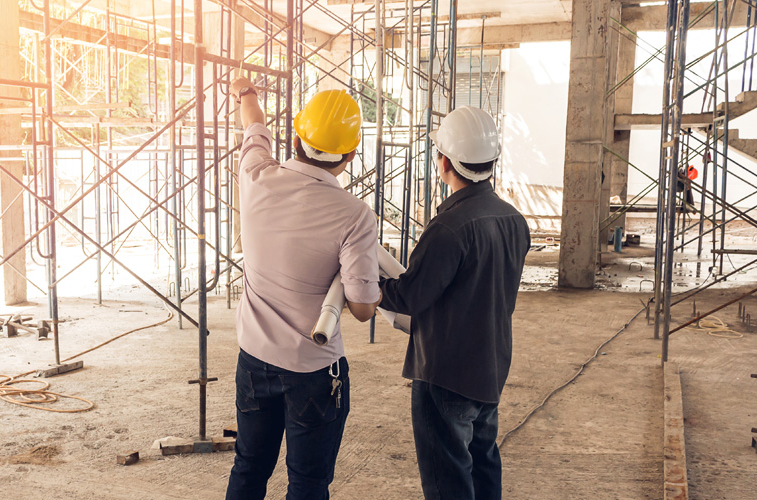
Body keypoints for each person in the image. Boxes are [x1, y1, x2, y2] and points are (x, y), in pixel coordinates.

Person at [225, 77, 381, 500]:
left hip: (254, 360)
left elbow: (254, 125)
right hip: (313, 370)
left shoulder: (255, 174)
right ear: (349, 155)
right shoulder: (355, 215)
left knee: (249, 466)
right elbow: (364, 308)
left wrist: (246, 92)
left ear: (296, 136)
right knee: (308, 482)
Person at [378, 106, 530, 500]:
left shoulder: (448, 228)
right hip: (489, 367)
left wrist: (366, 280)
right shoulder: (514, 221)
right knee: (481, 465)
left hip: (444, 374)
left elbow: (409, 296)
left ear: (443, 161)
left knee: (448, 480)